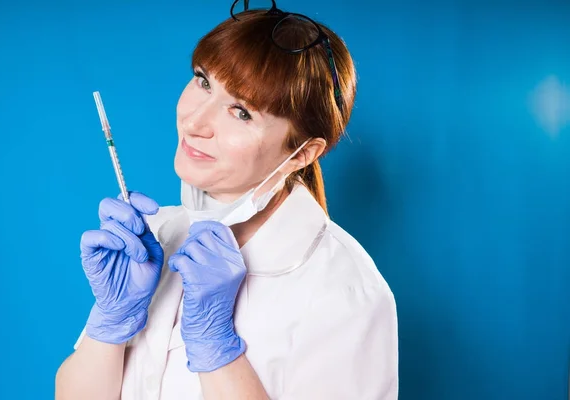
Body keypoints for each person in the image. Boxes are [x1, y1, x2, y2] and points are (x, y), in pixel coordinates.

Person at [55, 2, 398, 399]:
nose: (195, 123)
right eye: (203, 82)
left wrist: (216, 348)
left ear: (302, 153)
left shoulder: (345, 291)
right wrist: (111, 322)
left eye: (241, 112)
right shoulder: (157, 235)